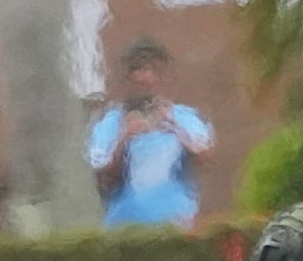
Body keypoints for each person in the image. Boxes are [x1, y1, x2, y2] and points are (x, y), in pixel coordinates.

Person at [87, 40, 212, 229]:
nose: (146, 77)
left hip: (177, 223)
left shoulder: (184, 117)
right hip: (123, 226)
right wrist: (124, 138)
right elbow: (103, 174)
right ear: (127, 77)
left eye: (153, 70)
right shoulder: (110, 122)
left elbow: (204, 159)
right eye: (139, 69)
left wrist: (177, 131)